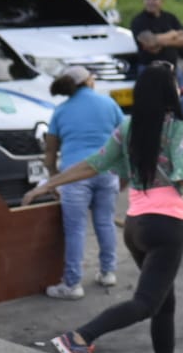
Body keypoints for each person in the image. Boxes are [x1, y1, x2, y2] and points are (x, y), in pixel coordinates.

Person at [26, 62, 183, 353]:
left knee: (164, 303)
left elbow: (95, 163)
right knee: (146, 302)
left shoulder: (129, 126)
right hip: (167, 227)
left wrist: (50, 183)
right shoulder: (176, 129)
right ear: (169, 92)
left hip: (136, 226)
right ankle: (79, 338)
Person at [44, 67, 124, 297]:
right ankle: (108, 273)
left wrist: (53, 179)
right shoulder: (108, 104)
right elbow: (124, 135)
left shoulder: (60, 111)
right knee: (105, 222)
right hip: (106, 171)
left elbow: (50, 153)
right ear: (88, 82)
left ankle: (72, 284)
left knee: (75, 229)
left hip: (74, 176)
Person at [131, 0, 183, 79]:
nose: (151, 2)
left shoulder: (170, 18)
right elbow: (150, 44)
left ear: (162, 1)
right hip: (149, 69)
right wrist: (172, 35)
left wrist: (157, 41)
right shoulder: (138, 21)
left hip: (172, 69)